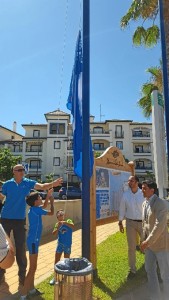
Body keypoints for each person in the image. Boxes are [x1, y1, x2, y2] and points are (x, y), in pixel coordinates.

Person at [0, 164, 63, 286]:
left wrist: (53, 184)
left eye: (23, 170)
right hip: (5, 219)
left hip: (19, 220)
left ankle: (22, 277)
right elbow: (2, 196)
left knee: (21, 248)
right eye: (19, 170)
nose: (22, 171)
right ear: (14, 172)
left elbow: (42, 186)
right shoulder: (7, 184)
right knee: (2, 247)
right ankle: (1, 274)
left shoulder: (27, 182)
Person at [20, 189, 54, 300]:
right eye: (39, 197)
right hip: (33, 242)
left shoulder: (34, 209)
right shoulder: (36, 210)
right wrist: (50, 200)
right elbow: (49, 210)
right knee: (33, 268)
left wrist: (49, 198)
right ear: (35, 202)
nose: (41, 198)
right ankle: (23, 294)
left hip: (33, 241)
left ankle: (32, 289)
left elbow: (47, 209)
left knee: (33, 267)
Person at [140, 180, 169, 300]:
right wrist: (143, 240)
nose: (142, 190)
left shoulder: (160, 203)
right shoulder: (144, 203)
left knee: (165, 274)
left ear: (152, 190)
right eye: (142, 188)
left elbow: (159, 225)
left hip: (161, 245)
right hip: (149, 246)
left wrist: (147, 241)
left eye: (145, 188)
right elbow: (145, 224)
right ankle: (155, 296)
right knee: (149, 270)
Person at [118, 175, 144, 279]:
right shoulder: (125, 195)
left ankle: (151, 265)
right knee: (131, 247)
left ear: (137, 182)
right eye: (129, 181)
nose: (130, 182)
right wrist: (120, 222)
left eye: (132, 181)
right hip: (130, 223)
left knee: (146, 244)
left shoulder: (143, 193)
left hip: (143, 223)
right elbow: (122, 208)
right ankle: (132, 269)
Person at [49, 209, 74, 285]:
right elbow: (53, 233)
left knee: (67, 260)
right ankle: (55, 276)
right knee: (57, 259)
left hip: (67, 244)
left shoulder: (69, 220)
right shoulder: (57, 224)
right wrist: (58, 227)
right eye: (59, 215)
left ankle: (65, 277)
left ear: (64, 215)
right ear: (57, 217)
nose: (60, 215)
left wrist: (65, 223)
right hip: (60, 244)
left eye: (62, 214)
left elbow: (72, 226)